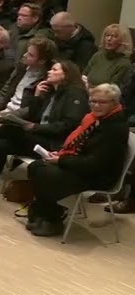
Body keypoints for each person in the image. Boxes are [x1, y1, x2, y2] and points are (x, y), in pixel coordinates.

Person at [0, 60, 88, 208]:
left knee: (6, 130)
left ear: (66, 75)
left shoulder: (75, 95)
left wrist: (35, 127)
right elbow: (33, 114)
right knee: (1, 144)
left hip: (55, 144)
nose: (49, 72)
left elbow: (67, 126)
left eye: (54, 70)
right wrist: (37, 96)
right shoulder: (52, 91)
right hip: (40, 137)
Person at [24, 83, 128, 237]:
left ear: (114, 103)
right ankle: (47, 212)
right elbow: (78, 146)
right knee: (36, 166)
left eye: (101, 102)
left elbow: (96, 164)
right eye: (93, 101)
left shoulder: (114, 128)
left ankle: (52, 217)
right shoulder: (92, 119)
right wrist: (60, 155)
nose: (96, 105)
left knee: (48, 175)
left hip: (99, 175)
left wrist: (61, 161)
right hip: (82, 164)